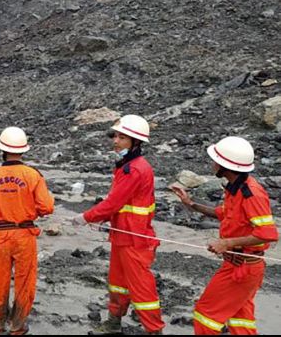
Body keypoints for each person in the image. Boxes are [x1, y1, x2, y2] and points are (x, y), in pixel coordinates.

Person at [171, 136, 278, 335]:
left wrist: (226, 243)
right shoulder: (235, 188)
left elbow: (268, 234)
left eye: (215, 160)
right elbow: (222, 213)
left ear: (225, 165)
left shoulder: (251, 193)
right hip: (240, 264)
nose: (212, 164)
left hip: (243, 268)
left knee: (205, 315)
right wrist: (191, 204)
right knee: (240, 320)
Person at [72, 115, 164, 335]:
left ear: (136, 142)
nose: (115, 141)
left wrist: (87, 217)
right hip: (124, 235)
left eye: (122, 137)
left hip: (134, 239)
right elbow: (123, 204)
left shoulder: (134, 169)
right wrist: (105, 219)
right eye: (115, 136)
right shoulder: (127, 166)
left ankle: (154, 330)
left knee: (142, 290)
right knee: (117, 283)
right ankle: (114, 322)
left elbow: (113, 202)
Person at [0, 127, 54, 335]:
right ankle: (18, 326)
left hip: (1, 236)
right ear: (23, 150)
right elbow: (47, 207)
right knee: (25, 282)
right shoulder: (33, 175)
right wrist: (28, 209)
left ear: (2, 150)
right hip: (25, 235)